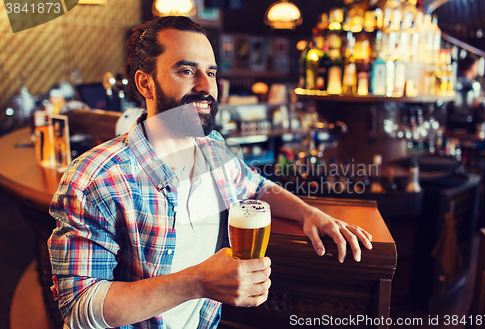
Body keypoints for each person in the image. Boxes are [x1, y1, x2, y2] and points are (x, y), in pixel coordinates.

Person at [47, 16, 373, 329]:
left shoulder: (211, 148)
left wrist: (308, 213)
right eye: (187, 70)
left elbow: (256, 186)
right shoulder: (95, 179)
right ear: (145, 83)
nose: (206, 87)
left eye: (212, 73)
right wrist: (197, 282)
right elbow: (79, 306)